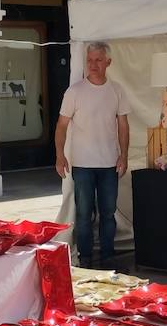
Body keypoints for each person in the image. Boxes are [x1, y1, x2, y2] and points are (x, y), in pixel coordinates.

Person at [55, 42, 129, 266]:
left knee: (108, 213)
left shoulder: (116, 90)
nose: (93, 65)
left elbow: (123, 125)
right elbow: (61, 125)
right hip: (83, 164)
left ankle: (107, 256)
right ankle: (85, 258)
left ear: (108, 62)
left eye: (98, 60)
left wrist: (123, 155)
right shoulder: (75, 91)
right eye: (89, 60)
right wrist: (60, 154)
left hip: (109, 163)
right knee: (84, 214)